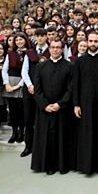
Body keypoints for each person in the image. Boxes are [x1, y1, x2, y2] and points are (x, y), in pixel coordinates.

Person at [72, 31, 98, 175]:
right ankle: (85, 165)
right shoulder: (79, 61)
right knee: (86, 133)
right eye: (90, 41)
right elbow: (75, 83)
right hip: (84, 103)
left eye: (96, 41)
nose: (93, 44)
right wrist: (76, 104)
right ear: (86, 42)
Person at [31, 40, 75, 175]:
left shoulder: (70, 66)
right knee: (46, 138)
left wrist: (60, 104)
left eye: (58, 47)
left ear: (62, 49)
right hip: (45, 109)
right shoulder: (41, 66)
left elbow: (71, 89)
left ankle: (62, 165)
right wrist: (45, 105)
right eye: (53, 47)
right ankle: (48, 165)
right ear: (49, 49)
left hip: (62, 109)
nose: (55, 50)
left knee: (63, 137)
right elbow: (37, 89)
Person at [20, 29, 50, 157]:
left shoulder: (52, 51)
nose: (41, 38)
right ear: (35, 37)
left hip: (46, 91)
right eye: (38, 36)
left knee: (44, 119)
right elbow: (24, 71)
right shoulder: (30, 52)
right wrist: (30, 85)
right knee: (28, 118)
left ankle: (43, 146)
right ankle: (28, 146)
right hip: (30, 90)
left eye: (43, 36)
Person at [2, 33, 28, 144]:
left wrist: (18, 85)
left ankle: (22, 131)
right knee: (12, 110)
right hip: (10, 82)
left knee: (21, 110)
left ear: (25, 40)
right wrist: (7, 84)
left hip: (22, 82)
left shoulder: (29, 53)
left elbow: (27, 71)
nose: (19, 42)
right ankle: (14, 132)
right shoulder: (10, 53)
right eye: (17, 40)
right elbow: (4, 69)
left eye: (21, 39)